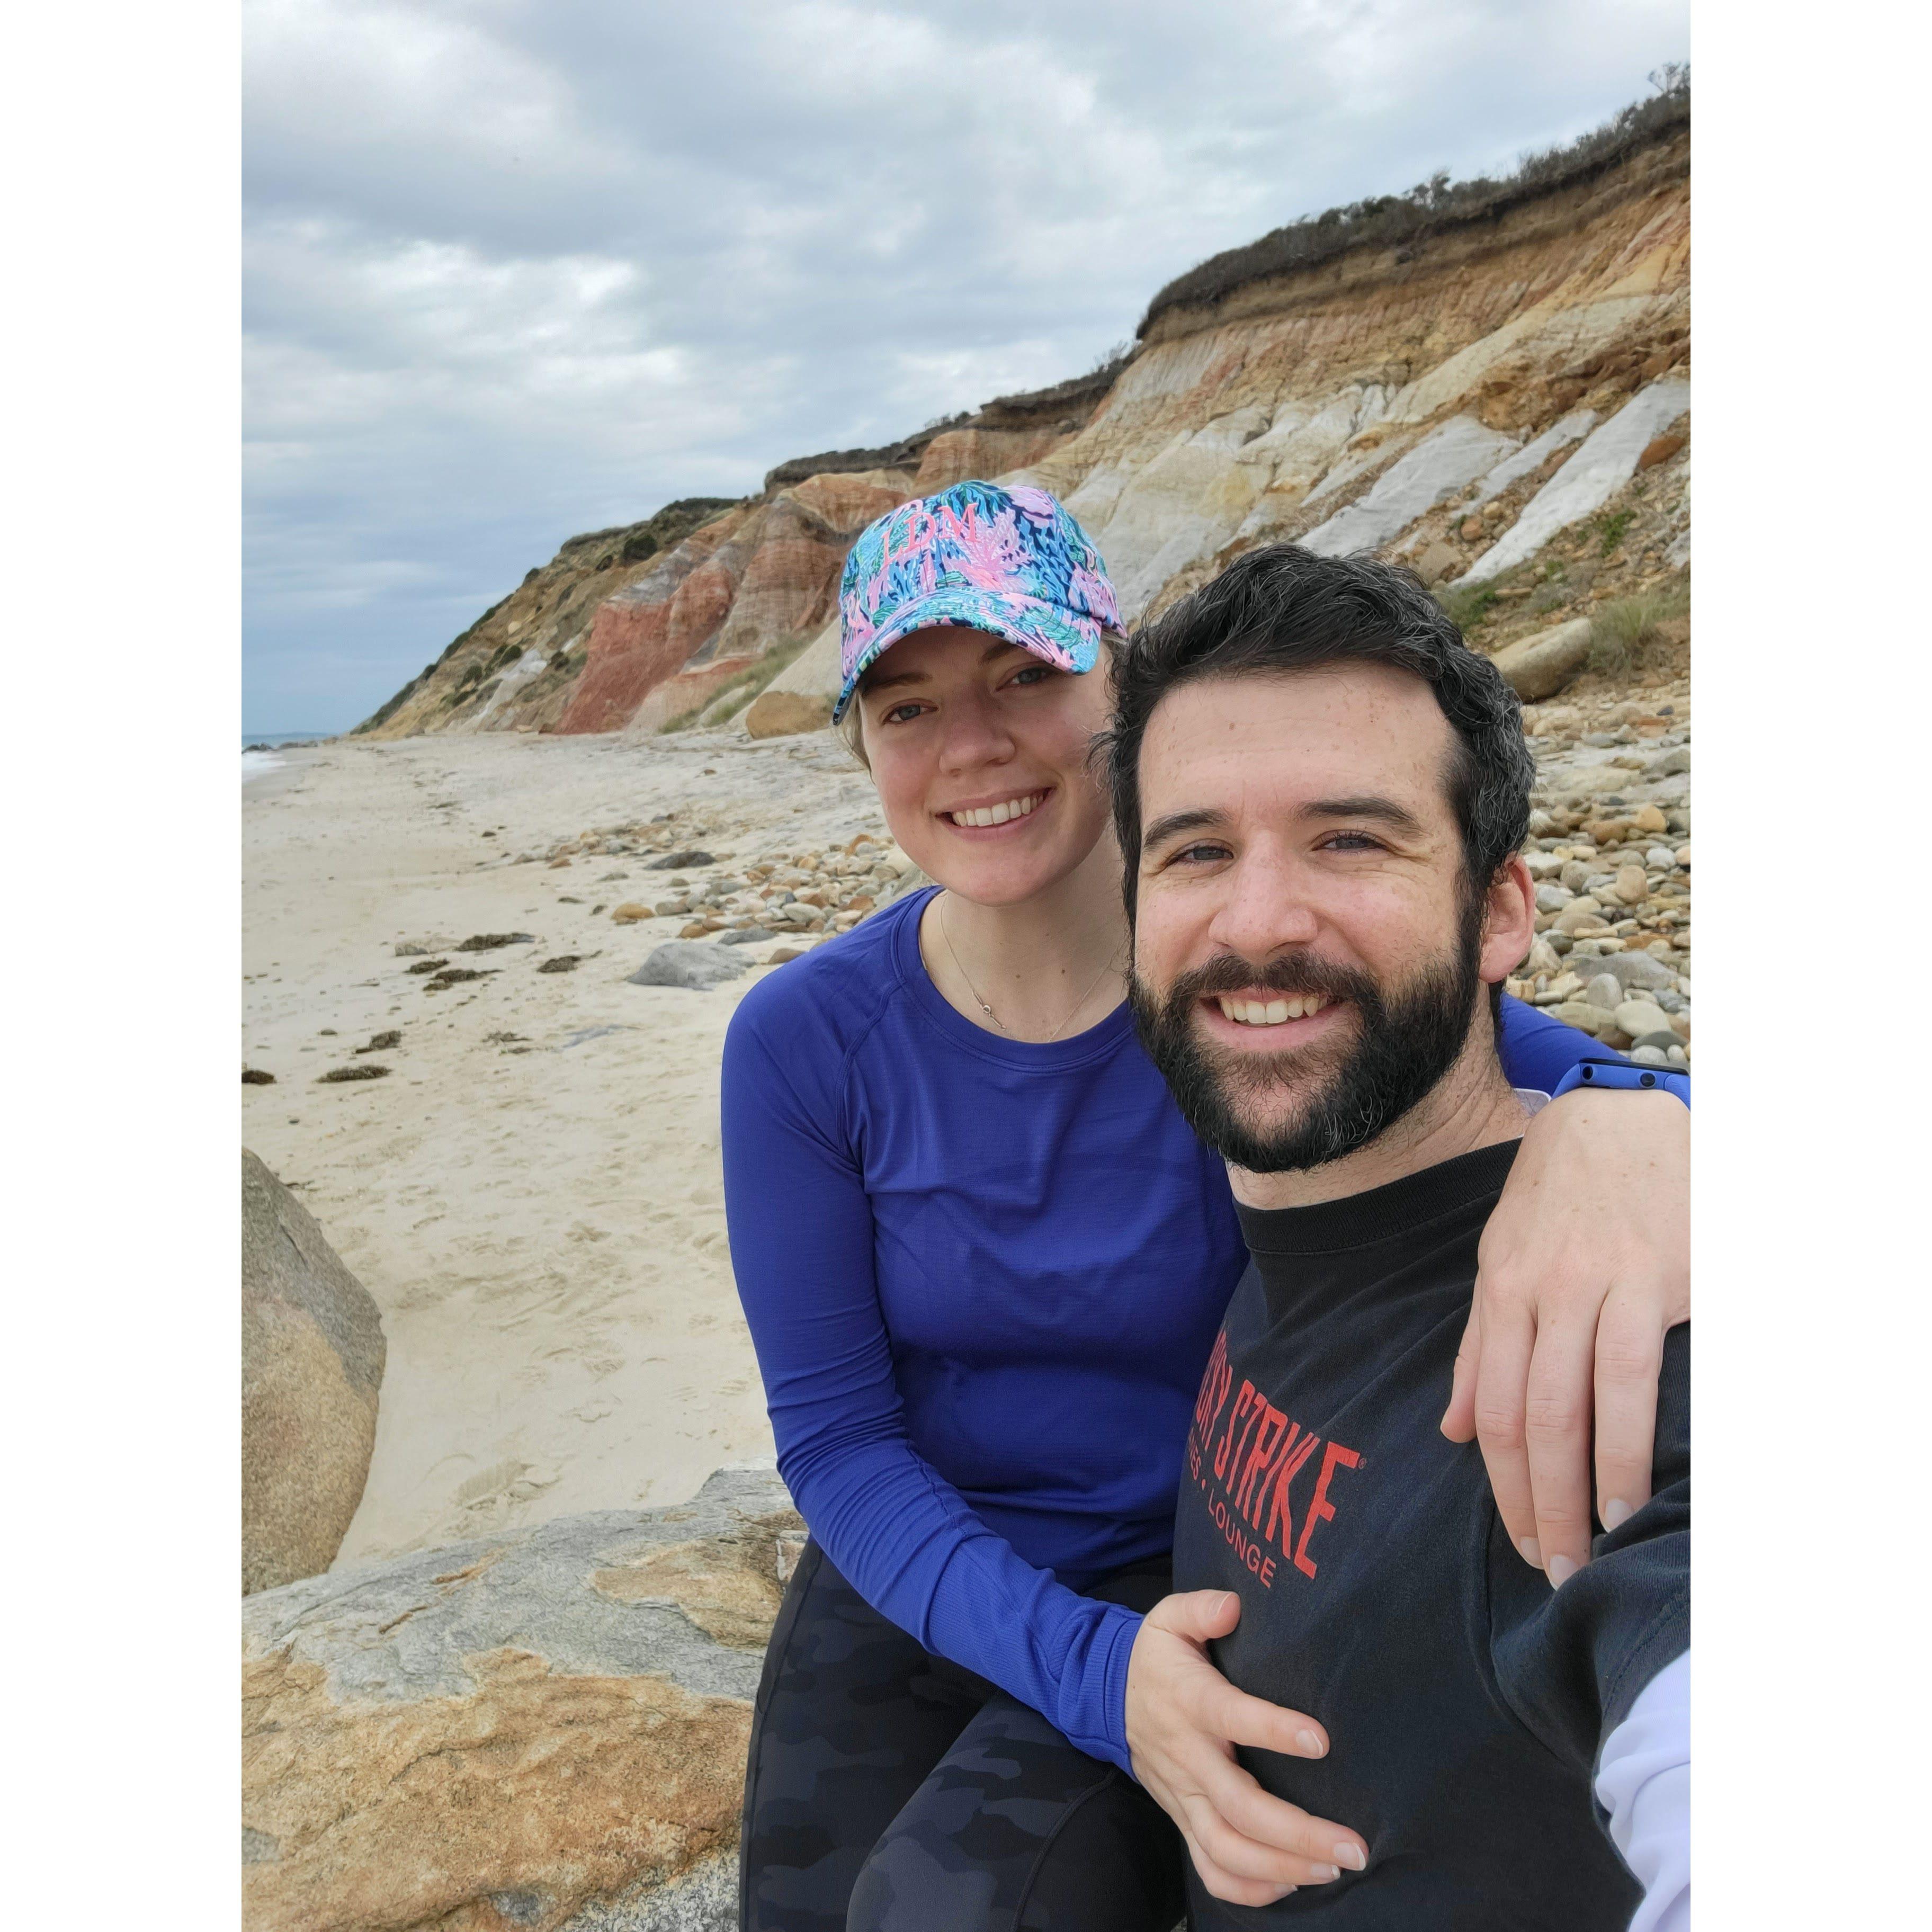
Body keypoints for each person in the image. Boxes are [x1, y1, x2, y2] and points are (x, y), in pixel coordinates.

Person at [720, 482, 1690, 1931]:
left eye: (1024, 678)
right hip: (923, 1554)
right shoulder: (808, 1040)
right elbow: (842, 1439)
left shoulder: (1244, 997)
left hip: (1187, 1561)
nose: (972, 746)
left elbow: (1536, 1060)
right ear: (862, 745)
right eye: (907, 708)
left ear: (1113, 684)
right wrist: (1098, 1681)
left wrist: (1638, 1119)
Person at [1110, 543, 1688, 1927]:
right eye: (1196, 852)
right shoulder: (1292, 1209)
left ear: (1500, 910)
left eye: (1350, 839)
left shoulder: (1622, 1330)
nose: (1257, 925)